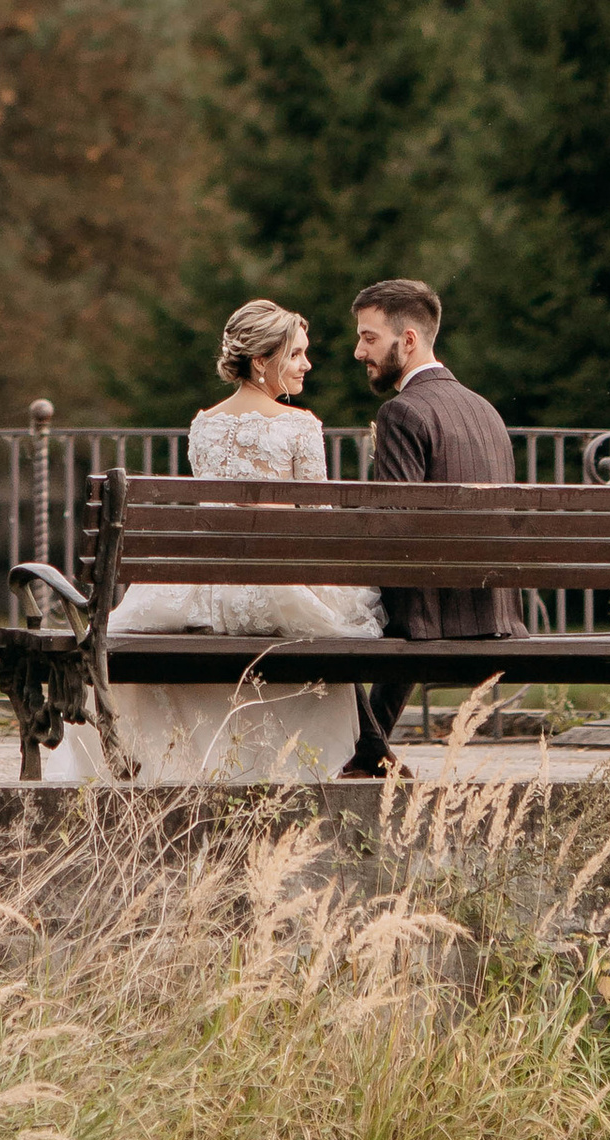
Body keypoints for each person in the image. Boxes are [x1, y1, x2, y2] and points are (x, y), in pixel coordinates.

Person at [46, 295, 382, 783]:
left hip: (201, 582)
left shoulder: (204, 423)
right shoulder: (300, 425)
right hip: (270, 584)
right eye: (296, 354)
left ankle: (195, 759)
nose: (307, 363)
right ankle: (276, 763)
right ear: (262, 361)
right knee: (344, 617)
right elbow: (315, 522)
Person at [349, 278, 518, 777]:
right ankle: (368, 756)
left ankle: (368, 751)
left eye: (369, 337)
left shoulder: (402, 411)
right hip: (493, 611)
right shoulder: (486, 410)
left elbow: (396, 527)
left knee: (318, 616)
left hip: (432, 615)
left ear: (408, 341)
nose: (359, 351)